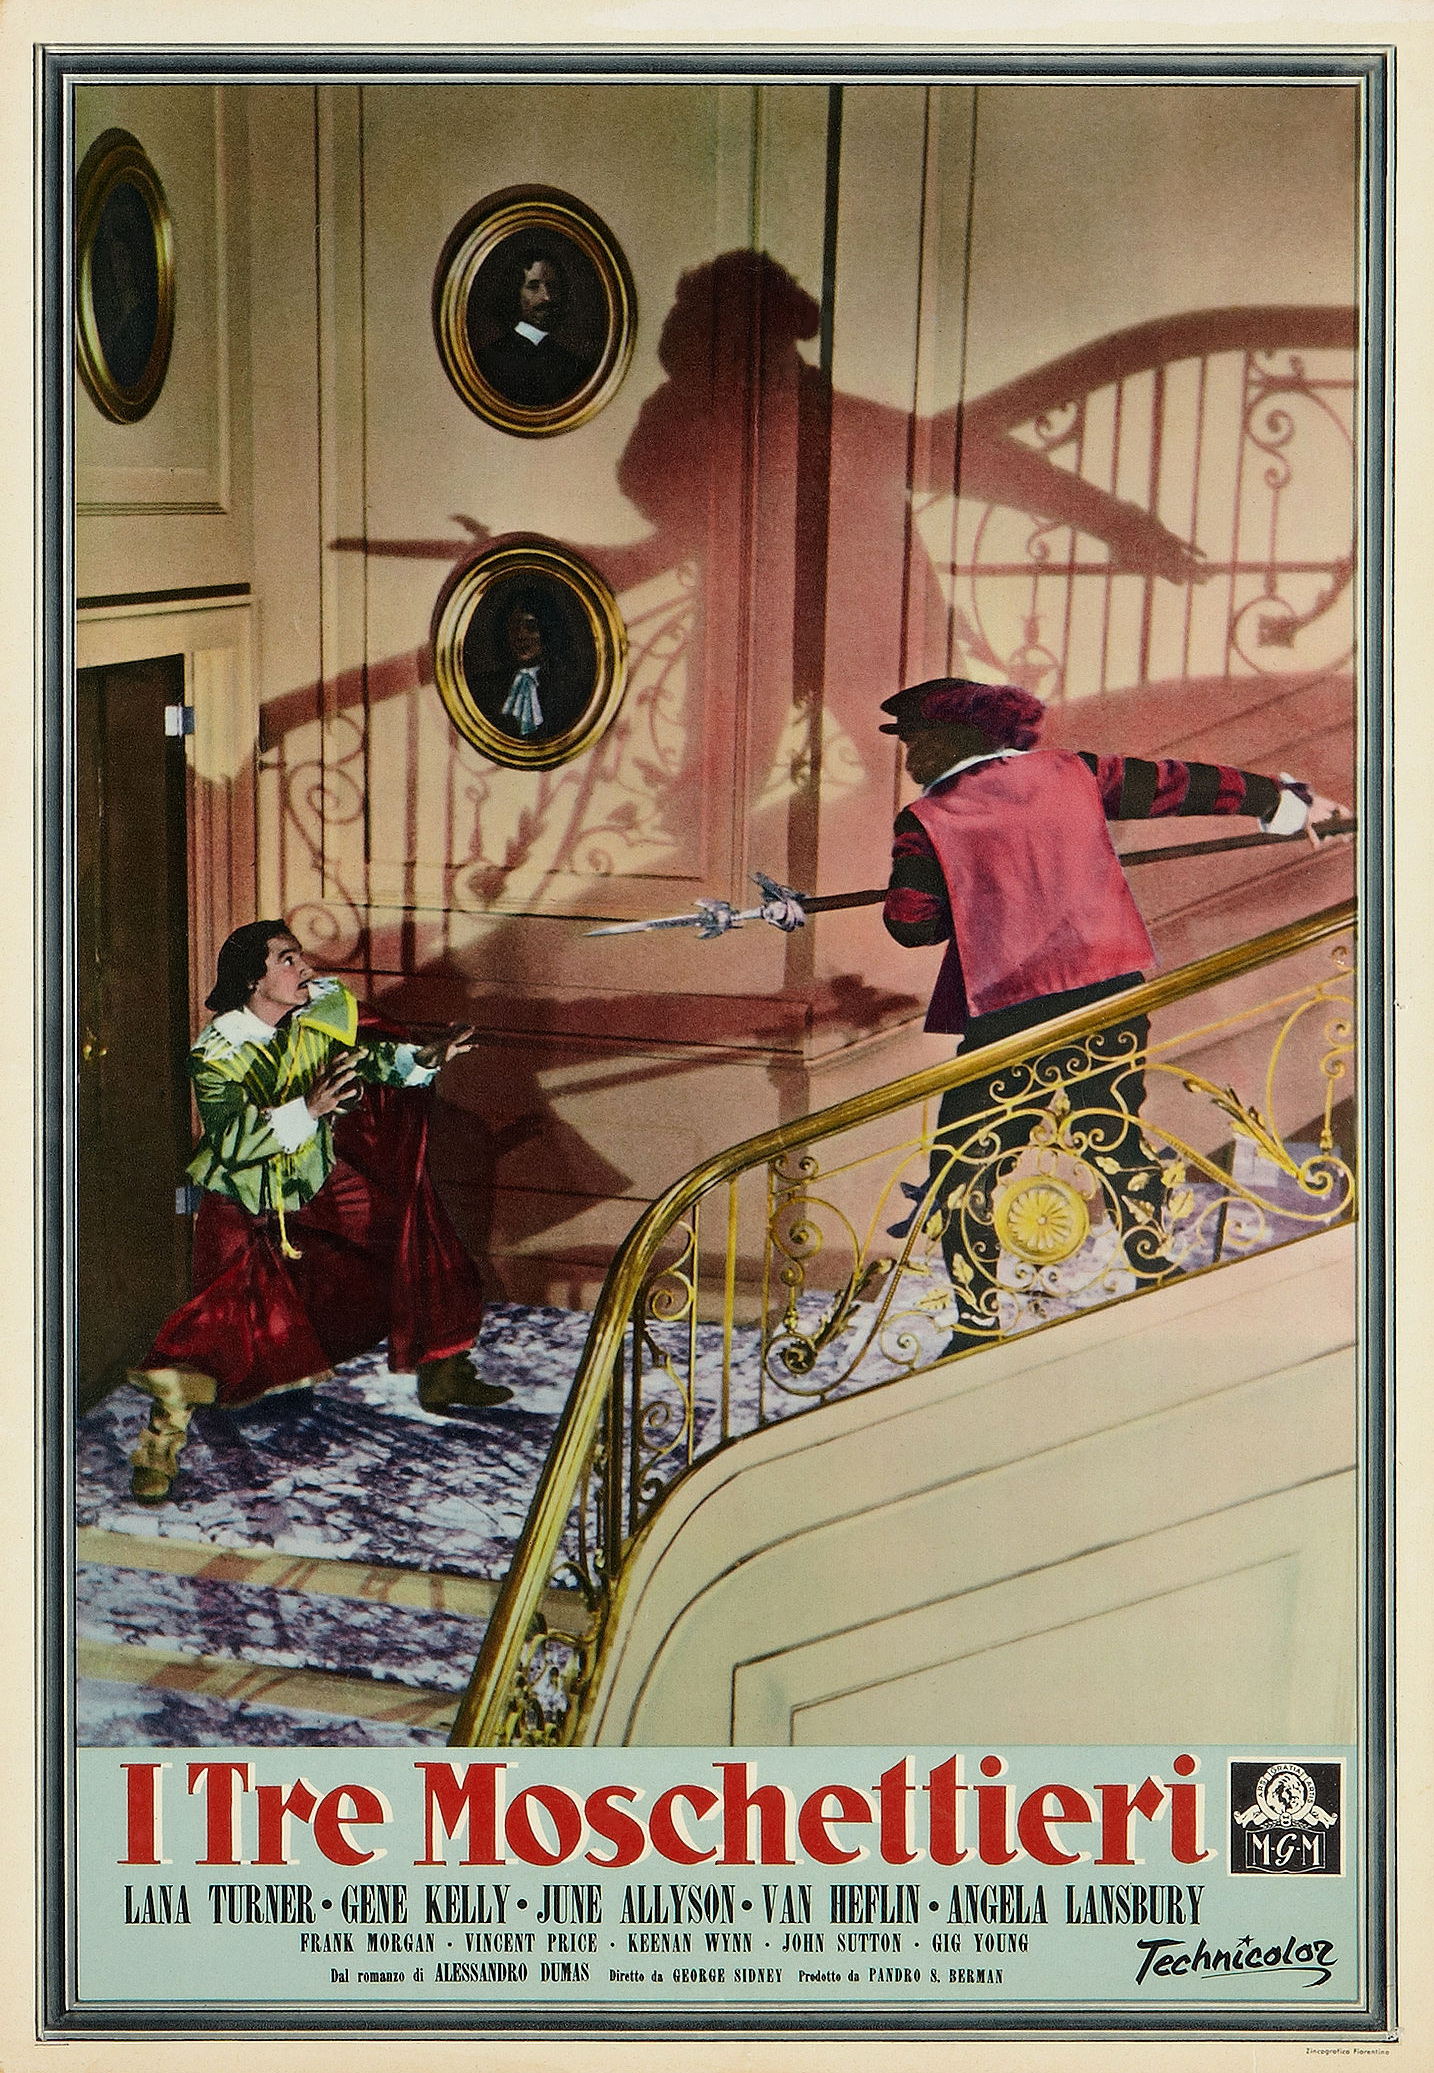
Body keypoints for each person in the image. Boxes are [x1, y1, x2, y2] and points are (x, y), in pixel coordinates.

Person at [879, 677, 1347, 1350]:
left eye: (915, 741)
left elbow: (911, 926)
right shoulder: (1074, 771)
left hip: (1011, 1010)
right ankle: (1154, 1274)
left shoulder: (926, 818)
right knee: (1113, 1136)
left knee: (966, 1161)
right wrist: (1280, 799)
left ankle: (977, 1324)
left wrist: (961, 887)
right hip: (1109, 992)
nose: (909, 757)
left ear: (948, 739)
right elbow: (1180, 784)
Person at [125, 922, 508, 1505]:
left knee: (386, 1254)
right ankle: (161, 1439)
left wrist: (418, 1060)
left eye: (299, 956)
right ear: (252, 981)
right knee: (221, 1325)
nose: (304, 967)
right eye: (287, 960)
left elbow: (368, 1060)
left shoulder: (317, 1012)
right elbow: (232, 1142)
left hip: (311, 1188)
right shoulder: (217, 1053)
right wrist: (307, 1107)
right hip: (243, 1202)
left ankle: (438, 1363)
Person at [466, 586, 592, 744]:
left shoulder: (571, 691)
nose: (520, 635)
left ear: (548, 631)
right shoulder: (484, 688)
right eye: (513, 626)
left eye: (531, 626)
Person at [473, 249, 589, 409]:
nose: (547, 297)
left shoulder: (574, 366)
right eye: (533, 286)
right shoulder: (487, 363)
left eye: (552, 286)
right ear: (515, 293)